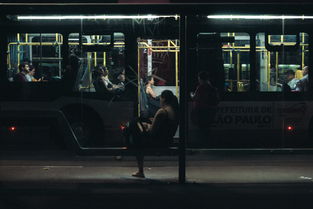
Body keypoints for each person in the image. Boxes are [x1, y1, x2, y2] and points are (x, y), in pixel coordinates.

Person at [126, 90, 179, 178]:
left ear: (164, 99)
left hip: (157, 142)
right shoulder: (173, 111)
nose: (159, 100)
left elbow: (152, 132)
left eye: (160, 98)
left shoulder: (162, 111)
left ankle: (140, 170)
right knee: (138, 124)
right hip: (167, 140)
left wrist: (147, 127)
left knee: (134, 123)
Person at [191, 71, 219, 144]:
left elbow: (195, 97)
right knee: (207, 127)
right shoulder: (211, 87)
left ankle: (203, 142)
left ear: (200, 78)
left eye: (198, 78)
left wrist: (191, 94)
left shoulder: (200, 87)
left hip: (201, 111)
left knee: (202, 128)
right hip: (210, 110)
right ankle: (207, 141)